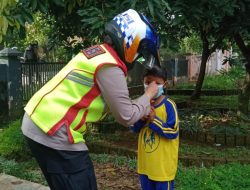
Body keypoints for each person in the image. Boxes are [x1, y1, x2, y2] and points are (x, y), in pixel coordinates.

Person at [21, 9, 161, 190]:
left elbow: (112, 102)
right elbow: (126, 116)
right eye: (140, 52)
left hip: (38, 121)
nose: (138, 58)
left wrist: (139, 108)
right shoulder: (109, 65)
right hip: (55, 131)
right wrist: (149, 94)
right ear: (130, 40)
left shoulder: (97, 54)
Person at [130, 66, 179, 190]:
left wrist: (153, 120)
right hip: (145, 166)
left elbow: (173, 131)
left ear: (165, 84)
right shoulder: (140, 104)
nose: (152, 87)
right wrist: (141, 119)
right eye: (147, 83)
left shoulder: (169, 105)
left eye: (157, 83)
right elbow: (134, 129)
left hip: (163, 168)